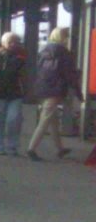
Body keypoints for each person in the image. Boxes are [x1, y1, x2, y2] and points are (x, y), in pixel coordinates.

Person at [26, 27, 83, 160]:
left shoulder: (44, 50)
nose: (68, 38)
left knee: (53, 120)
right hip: (55, 89)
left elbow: (38, 69)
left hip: (42, 88)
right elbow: (70, 75)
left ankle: (60, 149)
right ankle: (31, 148)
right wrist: (79, 93)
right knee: (46, 119)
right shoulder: (64, 53)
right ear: (63, 37)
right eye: (67, 36)